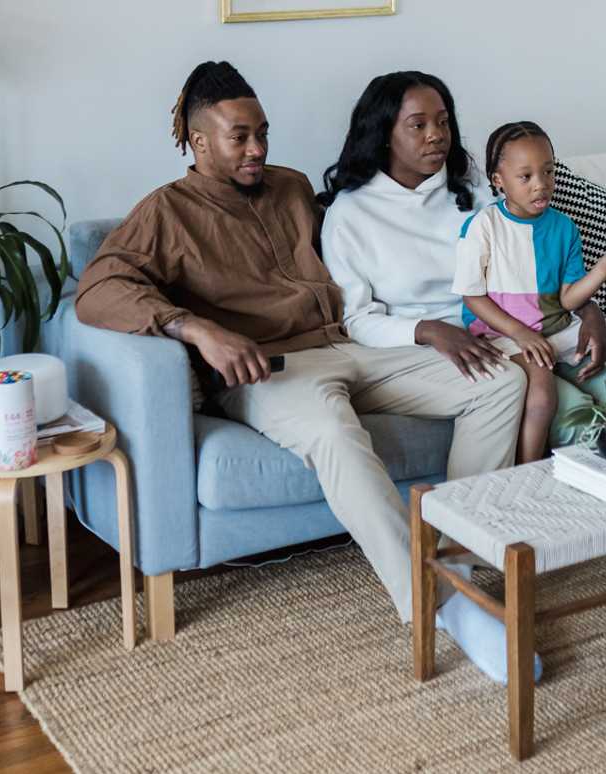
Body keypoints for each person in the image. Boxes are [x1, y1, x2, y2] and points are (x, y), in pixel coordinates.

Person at [74, 61, 537, 684]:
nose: (258, 148)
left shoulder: (292, 189)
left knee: (500, 380)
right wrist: (195, 328)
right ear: (198, 139)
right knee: (334, 430)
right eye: (240, 136)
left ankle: (451, 562)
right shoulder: (166, 213)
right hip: (269, 370)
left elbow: (373, 245)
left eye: (263, 132)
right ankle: (443, 607)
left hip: (351, 348)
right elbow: (98, 288)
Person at [318, 73, 606, 630]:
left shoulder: (476, 192)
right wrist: (430, 330)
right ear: (383, 134)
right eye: (418, 125)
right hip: (455, 340)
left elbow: (547, 272)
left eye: (444, 121)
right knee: (537, 386)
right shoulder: (351, 215)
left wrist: (593, 314)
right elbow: (357, 320)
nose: (437, 136)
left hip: (538, 318)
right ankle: (523, 526)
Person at [454, 121, 606, 463]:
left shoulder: (563, 226)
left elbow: (569, 299)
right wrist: (520, 333)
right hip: (505, 336)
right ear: (499, 181)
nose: (541, 185)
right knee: (541, 399)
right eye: (526, 177)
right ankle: (525, 473)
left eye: (548, 172)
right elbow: (471, 296)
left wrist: (604, 267)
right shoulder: (482, 227)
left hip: (559, 327)